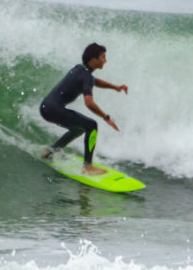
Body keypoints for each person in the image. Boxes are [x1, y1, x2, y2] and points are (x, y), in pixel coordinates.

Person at [39, 43, 127, 175]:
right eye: (103, 57)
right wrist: (106, 118)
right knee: (92, 125)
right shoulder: (86, 76)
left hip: (46, 107)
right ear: (93, 59)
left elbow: (94, 81)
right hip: (54, 109)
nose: (105, 60)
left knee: (78, 128)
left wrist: (115, 87)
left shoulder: (80, 69)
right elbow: (89, 103)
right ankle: (88, 167)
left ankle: (51, 151)